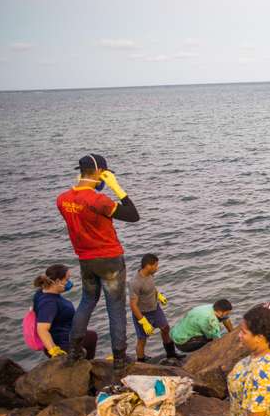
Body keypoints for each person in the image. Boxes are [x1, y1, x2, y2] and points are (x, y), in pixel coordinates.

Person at [57, 154, 139, 372]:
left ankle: (74, 350)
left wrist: (83, 184)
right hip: (109, 258)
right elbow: (133, 215)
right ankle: (120, 358)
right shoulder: (98, 200)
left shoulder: (63, 199)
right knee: (116, 307)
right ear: (100, 171)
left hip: (85, 259)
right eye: (105, 173)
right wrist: (116, 187)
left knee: (87, 301)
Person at [32, 264, 98, 360]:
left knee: (91, 335)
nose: (69, 283)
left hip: (67, 334)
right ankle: (88, 365)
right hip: (62, 344)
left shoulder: (42, 292)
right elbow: (42, 329)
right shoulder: (49, 303)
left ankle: (87, 363)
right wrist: (54, 351)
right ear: (58, 281)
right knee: (91, 337)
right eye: (66, 280)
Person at [129, 253, 184, 362]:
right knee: (142, 339)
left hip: (155, 309)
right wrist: (143, 321)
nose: (157, 268)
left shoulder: (150, 275)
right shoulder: (135, 282)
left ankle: (171, 354)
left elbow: (151, 288)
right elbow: (133, 305)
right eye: (155, 265)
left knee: (165, 328)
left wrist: (158, 295)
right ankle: (141, 361)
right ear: (148, 266)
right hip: (142, 313)